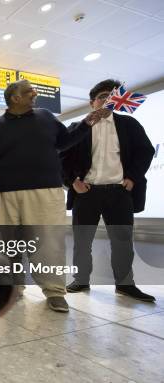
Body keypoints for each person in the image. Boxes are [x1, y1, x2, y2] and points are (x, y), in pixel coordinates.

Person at [0, 79, 109, 313]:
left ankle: (55, 292)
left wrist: (86, 124)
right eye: (29, 91)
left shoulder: (46, 117)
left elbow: (65, 142)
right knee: (9, 245)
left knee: (49, 243)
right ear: (15, 98)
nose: (35, 93)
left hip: (46, 191)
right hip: (6, 194)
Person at [61, 79, 156, 302]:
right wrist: (72, 181)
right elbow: (61, 157)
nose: (108, 100)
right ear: (92, 102)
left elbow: (146, 151)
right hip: (86, 193)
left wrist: (133, 177)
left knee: (122, 241)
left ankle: (125, 285)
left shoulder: (129, 125)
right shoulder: (77, 127)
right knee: (82, 241)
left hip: (119, 193)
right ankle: (81, 279)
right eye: (103, 96)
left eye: (112, 96)